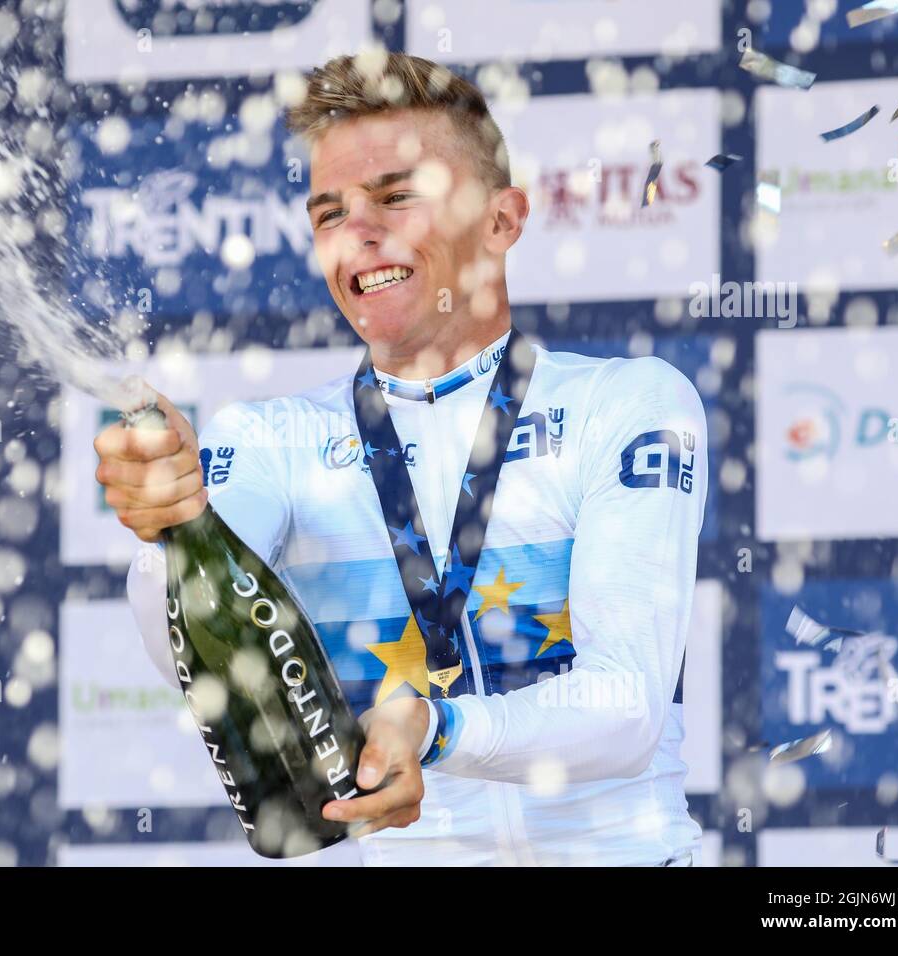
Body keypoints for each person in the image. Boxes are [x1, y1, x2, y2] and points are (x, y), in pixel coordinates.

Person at [94, 52, 707, 866]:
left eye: (395, 198)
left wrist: (439, 723)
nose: (359, 236)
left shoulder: (626, 404)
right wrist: (168, 531)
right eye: (329, 214)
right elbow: (195, 666)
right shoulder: (270, 439)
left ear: (501, 220)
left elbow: (628, 706)